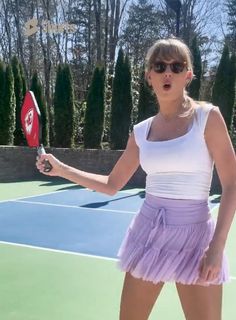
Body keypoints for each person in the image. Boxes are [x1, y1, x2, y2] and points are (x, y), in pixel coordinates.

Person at [36, 38, 236, 320]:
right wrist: (61, 169)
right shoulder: (141, 132)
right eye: (160, 65)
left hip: (196, 238)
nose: (168, 71)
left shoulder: (208, 117)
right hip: (149, 234)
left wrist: (216, 248)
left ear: (188, 75)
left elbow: (232, 184)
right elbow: (111, 184)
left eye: (177, 66)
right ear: (148, 76)